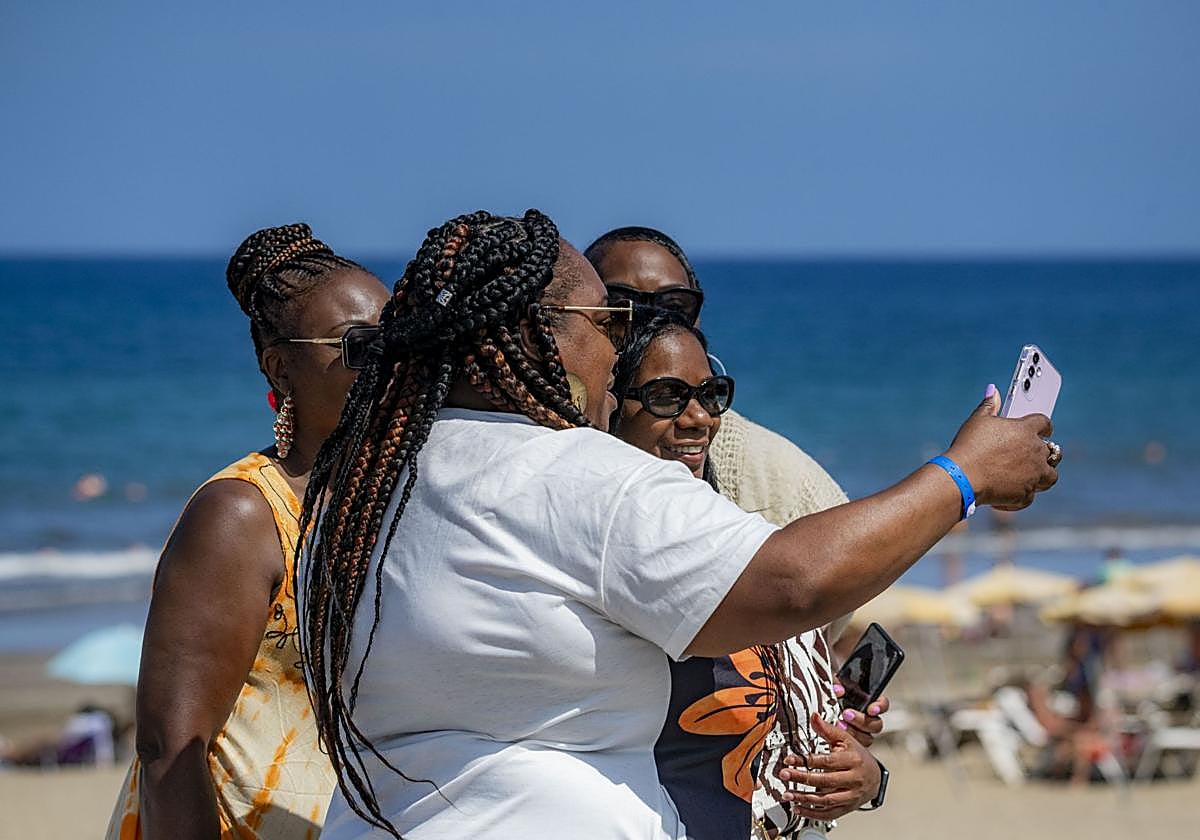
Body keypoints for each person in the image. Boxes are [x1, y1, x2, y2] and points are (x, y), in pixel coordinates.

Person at [299, 209, 1058, 840]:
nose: (616, 344)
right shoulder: (572, 475)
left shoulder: (361, 486)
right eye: (607, 320)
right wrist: (965, 474)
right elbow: (794, 584)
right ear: (542, 333)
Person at [585, 227, 887, 836]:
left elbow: (802, 652)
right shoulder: (589, 523)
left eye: (709, 394)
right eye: (667, 396)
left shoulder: (769, 490)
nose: (697, 417)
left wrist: (867, 773)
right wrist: (961, 479)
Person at [106, 224, 391, 839]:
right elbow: (168, 746)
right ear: (280, 369)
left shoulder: (395, 500)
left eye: (398, 341)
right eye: (360, 346)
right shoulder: (241, 513)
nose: (388, 364)